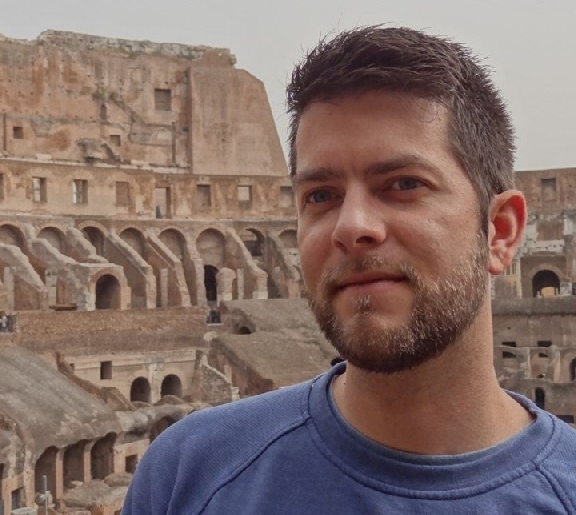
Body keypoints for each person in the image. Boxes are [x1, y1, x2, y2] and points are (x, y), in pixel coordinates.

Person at [122, 27, 576, 514]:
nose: (351, 226)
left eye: (404, 184)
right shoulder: (186, 474)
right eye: (321, 195)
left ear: (500, 231)